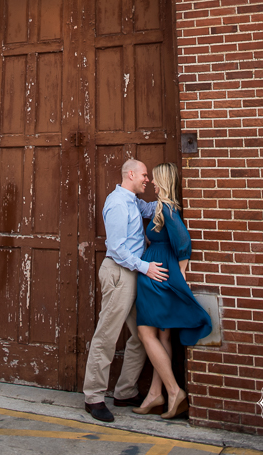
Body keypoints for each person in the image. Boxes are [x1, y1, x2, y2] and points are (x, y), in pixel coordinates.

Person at [83, 158, 169, 423]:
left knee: (143, 336)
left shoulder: (133, 201)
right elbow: (118, 248)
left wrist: (170, 192)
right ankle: (93, 398)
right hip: (120, 272)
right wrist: (145, 268)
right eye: (144, 175)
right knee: (106, 335)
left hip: (133, 275)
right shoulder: (118, 203)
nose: (147, 179)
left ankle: (124, 391)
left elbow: (153, 208)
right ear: (130, 174)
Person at [132, 162, 212, 419]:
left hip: (156, 278)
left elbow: (183, 240)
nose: (152, 183)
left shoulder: (166, 207)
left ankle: (174, 391)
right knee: (163, 337)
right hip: (161, 275)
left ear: (164, 181)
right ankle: (156, 394)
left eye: (156, 179)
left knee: (146, 333)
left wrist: (182, 272)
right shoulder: (163, 207)